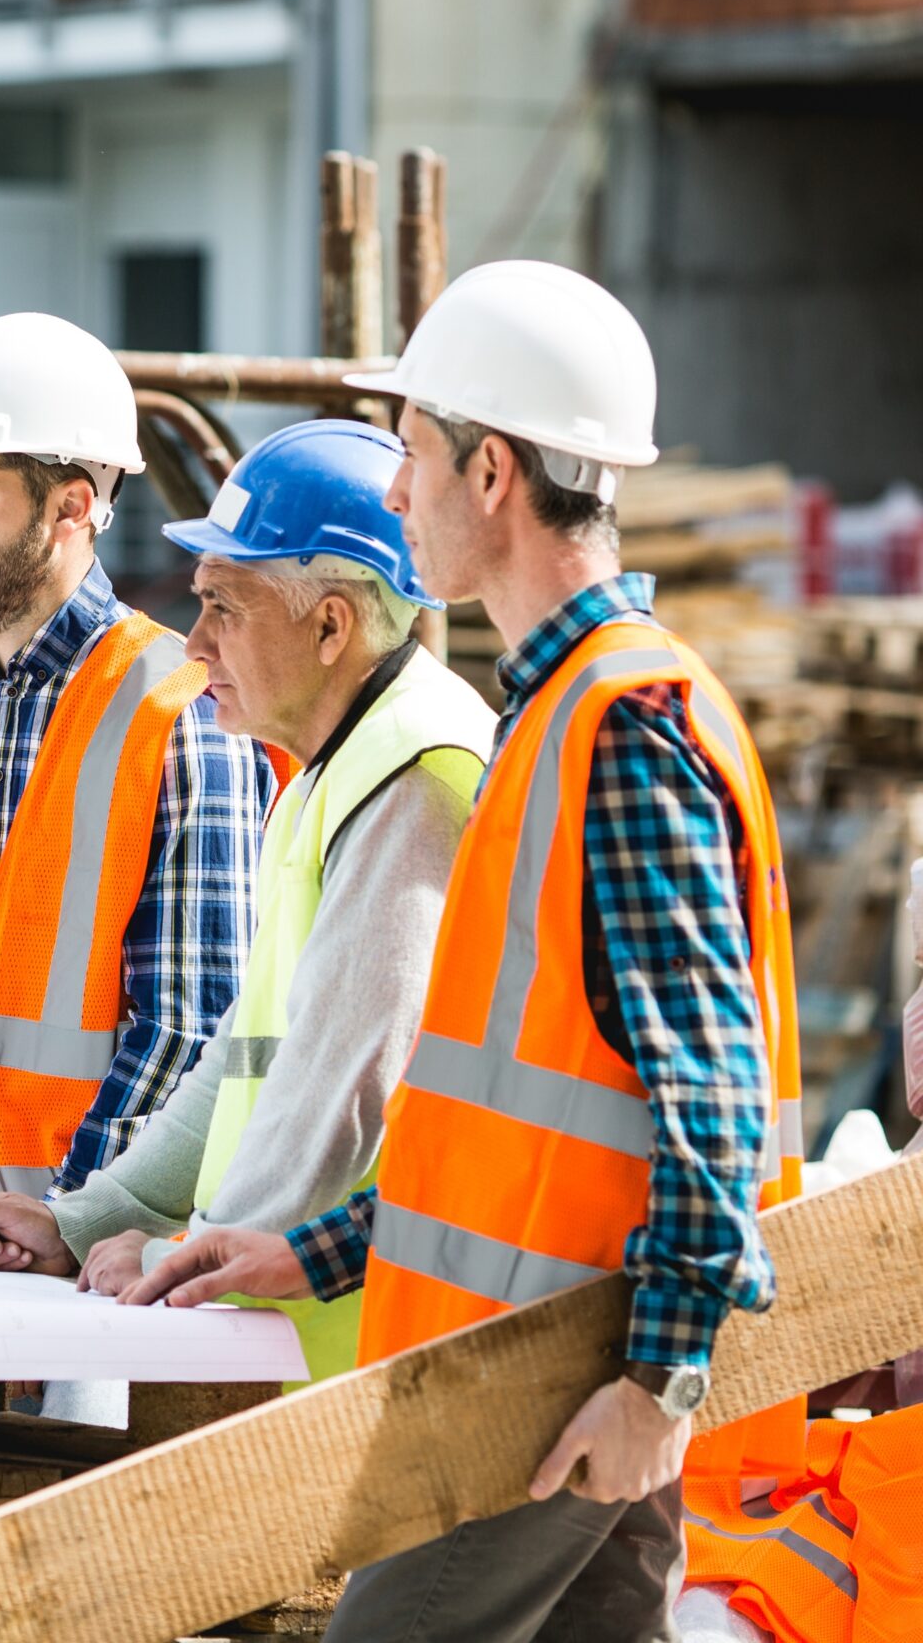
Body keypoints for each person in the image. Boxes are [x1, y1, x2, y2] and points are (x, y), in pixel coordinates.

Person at [120, 262, 805, 1642]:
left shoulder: (619, 727)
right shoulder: (558, 717)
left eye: (416, 455)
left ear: (492, 473)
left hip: (551, 1382)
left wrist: (659, 1385)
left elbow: (711, 1096)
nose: (395, 493)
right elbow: (510, 1128)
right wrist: (311, 1252)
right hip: (539, 1360)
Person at [0, 419, 493, 1382]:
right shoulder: (336, 771)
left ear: (331, 626)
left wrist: (187, 1254)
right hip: (314, 1350)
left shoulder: (413, 775)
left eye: (224, 608)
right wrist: (89, 1222)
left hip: (377, 1369)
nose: (193, 644)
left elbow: (341, 1094)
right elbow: (244, 1065)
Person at [0, 312, 274, 1257]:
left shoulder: (181, 709)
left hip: (83, 1262)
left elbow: (190, 1025)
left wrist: (73, 1218)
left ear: (72, 506)